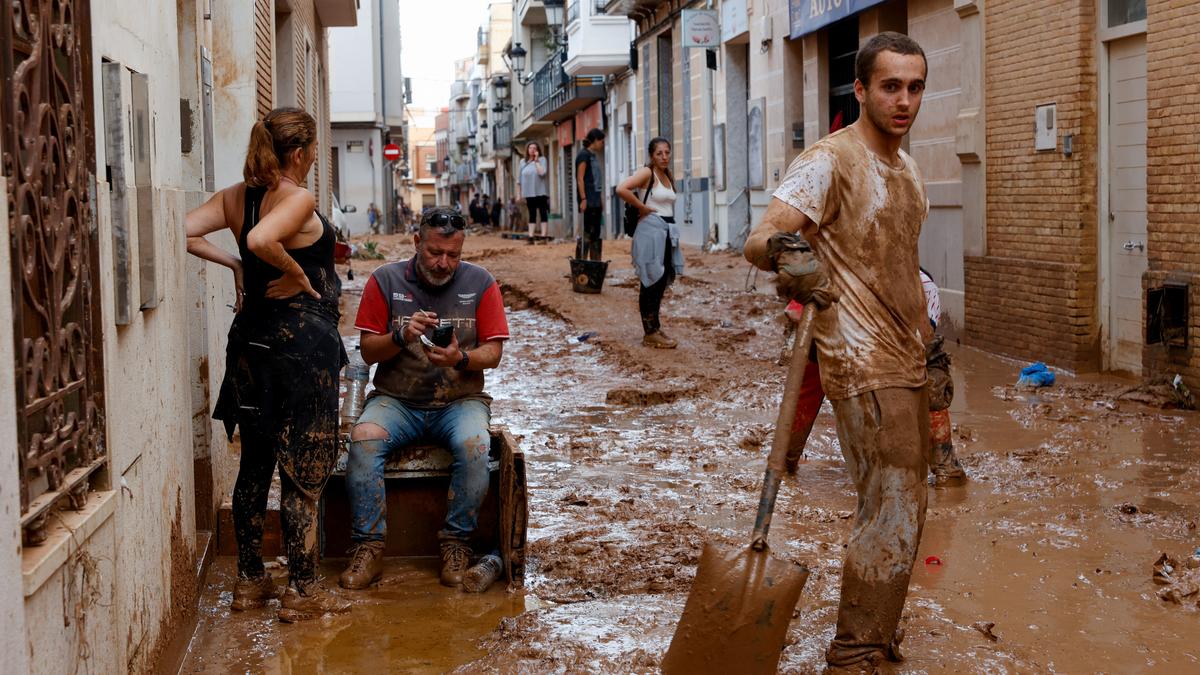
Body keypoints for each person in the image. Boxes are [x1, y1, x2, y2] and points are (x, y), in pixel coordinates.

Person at [744, 32, 939, 671]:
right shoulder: (830, 160)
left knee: (903, 501)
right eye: (890, 86)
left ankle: (875, 630)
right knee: (893, 503)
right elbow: (761, 234)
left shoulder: (908, 171)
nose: (903, 100)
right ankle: (856, 653)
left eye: (914, 87)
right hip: (857, 359)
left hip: (908, 356)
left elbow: (901, 268)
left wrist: (932, 351)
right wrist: (788, 254)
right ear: (859, 89)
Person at [184, 107, 350, 622]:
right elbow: (261, 241)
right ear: (299, 154)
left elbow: (183, 229)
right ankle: (301, 590)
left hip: (251, 346)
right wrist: (299, 274)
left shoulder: (236, 197)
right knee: (302, 468)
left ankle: (250, 582)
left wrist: (234, 264)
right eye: (314, 150)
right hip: (299, 352)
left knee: (255, 462)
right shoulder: (296, 196)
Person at [340, 206, 510, 590]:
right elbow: (367, 352)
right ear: (417, 242)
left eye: (453, 254)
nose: (444, 262)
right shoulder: (385, 280)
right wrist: (401, 335)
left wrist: (461, 358)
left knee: (476, 446)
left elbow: (494, 354)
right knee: (363, 441)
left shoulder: (481, 282)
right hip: (396, 400)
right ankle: (369, 546)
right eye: (434, 252)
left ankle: (456, 543)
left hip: (460, 400)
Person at [782, 268, 968, 486]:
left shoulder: (922, 286)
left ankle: (945, 467)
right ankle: (786, 459)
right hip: (833, 328)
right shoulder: (835, 271)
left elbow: (923, 338)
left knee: (932, 381)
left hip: (900, 335)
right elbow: (795, 313)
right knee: (811, 381)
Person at [617, 137, 684, 349]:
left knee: (661, 280)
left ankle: (654, 327)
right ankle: (650, 332)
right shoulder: (648, 172)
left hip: (667, 231)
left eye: (667, 152)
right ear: (651, 156)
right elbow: (622, 189)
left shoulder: (667, 174)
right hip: (650, 231)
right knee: (651, 281)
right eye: (659, 153)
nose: (664, 157)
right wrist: (641, 207)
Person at [575, 128, 606, 260]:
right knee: (587, 232)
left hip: (595, 200)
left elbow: (596, 181)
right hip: (588, 200)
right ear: (594, 141)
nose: (602, 144)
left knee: (596, 234)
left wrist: (600, 199)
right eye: (601, 141)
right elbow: (580, 178)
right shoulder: (583, 155)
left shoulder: (593, 155)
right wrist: (583, 199)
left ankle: (595, 264)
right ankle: (581, 264)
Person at [518, 142, 550, 241]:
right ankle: (531, 236)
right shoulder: (523, 162)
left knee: (543, 212)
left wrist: (536, 161)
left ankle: (543, 236)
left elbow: (542, 173)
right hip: (529, 193)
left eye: (534, 148)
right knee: (532, 213)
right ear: (527, 150)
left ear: (537, 150)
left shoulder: (542, 160)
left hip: (541, 191)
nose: (532, 149)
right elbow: (519, 180)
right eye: (530, 148)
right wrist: (519, 194)